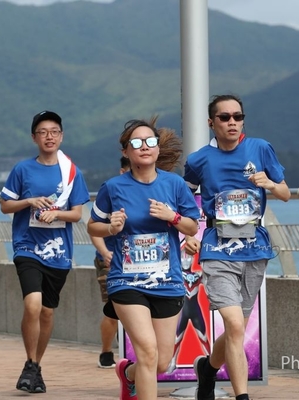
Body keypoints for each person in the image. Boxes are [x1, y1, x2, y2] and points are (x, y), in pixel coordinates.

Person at [183, 94, 291, 400]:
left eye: (238, 116)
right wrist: (187, 233)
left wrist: (270, 185)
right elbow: (185, 199)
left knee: (236, 330)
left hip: (254, 249)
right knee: (232, 322)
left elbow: (286, 193)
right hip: (217, 249)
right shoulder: (198, 160)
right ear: (211, 122)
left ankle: (207, 368)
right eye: (225, 117)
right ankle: (242, 396)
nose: (232, 122)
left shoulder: (261, 148)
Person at [87, 118, 200, 400]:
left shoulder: (174, 184)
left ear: (158, 149)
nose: (144, 147)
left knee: (161, 362)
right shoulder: (113, 187)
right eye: (136, 143)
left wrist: (172, 216)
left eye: (150, 141)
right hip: (126, 281)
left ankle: (128, 373)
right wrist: (111, 228)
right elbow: (93, 226)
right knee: (148, 351)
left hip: (167, 281)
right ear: (126, 151)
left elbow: (191, 226)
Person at [0, 110, 90, 393]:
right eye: (43, 132)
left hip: (59, 253)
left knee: (47, 313)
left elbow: (77, 214)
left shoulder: (72, 172)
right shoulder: (22, 170)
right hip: (27, 247)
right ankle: (30, 362)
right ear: (34, 137)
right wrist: (29, 201)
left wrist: (57, 214)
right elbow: (5, 205)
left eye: (54, 131)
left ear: (61, 136)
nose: (49, 136)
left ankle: (35, 367)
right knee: (33, 304)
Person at [90, 156, 131, 369]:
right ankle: (106, 352)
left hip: (136, 262)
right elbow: (93, 229)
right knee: (113, 309)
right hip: (109, 260)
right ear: (122, 171)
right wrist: (105, 252)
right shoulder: (111, 192)